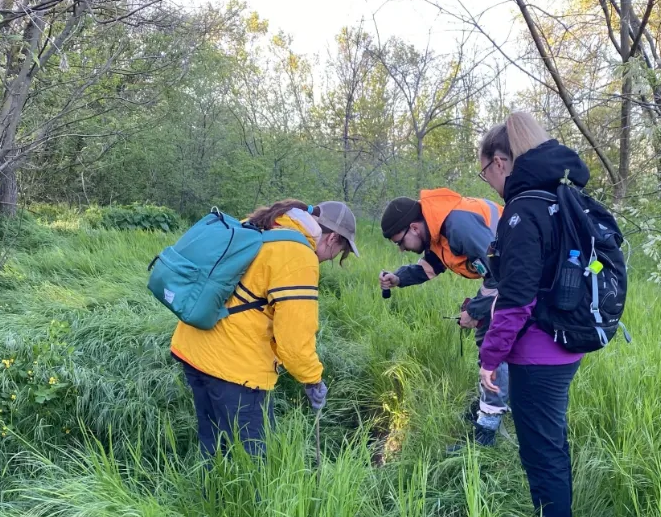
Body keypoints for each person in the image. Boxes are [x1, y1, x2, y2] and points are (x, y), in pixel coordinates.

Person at [476, 112, 589, 517]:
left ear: (501, 162)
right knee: (551, 443)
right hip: (566, 344)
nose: (487, 181)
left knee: (541, 452)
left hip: (538, 352)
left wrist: (491, 356)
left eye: (485, 171)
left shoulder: (524, 210)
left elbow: (517, 297)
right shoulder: (560, 197)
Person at [170, 200, 358, 457]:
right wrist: (312, 379)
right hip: (235, 368)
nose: (330, 259)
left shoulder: (263, 228)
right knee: (253, 464)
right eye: (338, 252)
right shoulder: (298, 254)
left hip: (195, 349)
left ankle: (210, 497)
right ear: (332, 238)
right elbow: (293, 339)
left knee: (213, 448)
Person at [379, 189, 508, 451]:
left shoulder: (458, 226)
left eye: (401, 242)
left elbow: (501, 273)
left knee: (494, 340)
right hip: (506, 279)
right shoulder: (437, 231)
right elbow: (431, 266)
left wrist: (474, 313)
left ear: (414, 227)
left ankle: (487, 431)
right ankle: (490, 402)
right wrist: (399, 278)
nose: (402, 249)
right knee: (491, 339)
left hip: (526, 279)